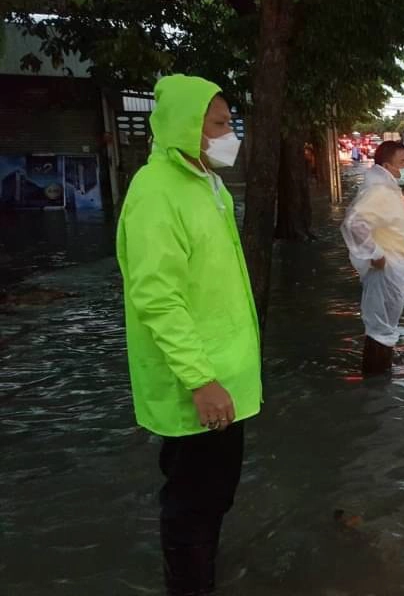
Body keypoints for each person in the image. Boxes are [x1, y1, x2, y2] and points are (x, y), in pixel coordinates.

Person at [116, 74, 261, 594]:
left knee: (213, 496)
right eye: (219, 124)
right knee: (192, 507)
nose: (231, 134)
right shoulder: (157, 192)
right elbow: (158, 298)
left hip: (227, 378)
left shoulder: (205, 182)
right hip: (200, 386)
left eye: (230, 123)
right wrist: (201, 380)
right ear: (184, 127)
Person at [341, 140, 404, 375]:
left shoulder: (387, 188)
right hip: (386, 270)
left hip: (392, 267)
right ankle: (376, 382)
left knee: (384, 327)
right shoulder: (380, 191)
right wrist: (375, 254)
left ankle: (380, 377)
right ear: (387, 165)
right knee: (380, 330)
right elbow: (354, 223)